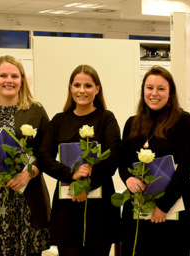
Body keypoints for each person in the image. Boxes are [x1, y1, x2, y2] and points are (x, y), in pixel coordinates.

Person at [0, 55, 51, 255]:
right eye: (3, 75)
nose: (9, 80)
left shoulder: (36, 111)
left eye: (14, 75)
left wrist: (28, 173)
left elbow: (47, 153)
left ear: (22, 79)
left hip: (28, 200)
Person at [39, 64, 121, 255]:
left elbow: (113, 157)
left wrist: (85, 186)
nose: (81, 90)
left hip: (100, 209)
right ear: (70, 88)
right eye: (77, 85)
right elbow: (44, 157)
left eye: (88, 86)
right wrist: (72, 176)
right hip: (67, 206)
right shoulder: (59, 120)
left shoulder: (106, 118)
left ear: (97, 89)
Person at [119, 66, 190, 255]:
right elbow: (123, 161)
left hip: (172, 212)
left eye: (161, 89)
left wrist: (163, 206)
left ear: (170, 93)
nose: (154, 93)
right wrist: (127, 179)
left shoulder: (183, 121)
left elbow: (187, 165)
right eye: (149, 88)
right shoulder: (132, 123)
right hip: (138, 209)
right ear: (143, 91)